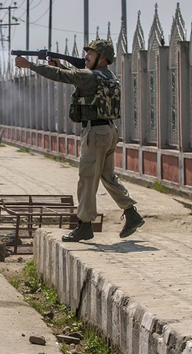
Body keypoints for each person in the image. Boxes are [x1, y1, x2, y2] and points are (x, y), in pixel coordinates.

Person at [14, 39, 144, 243]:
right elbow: (78, 78)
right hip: (108, 131)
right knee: (107, 176)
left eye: (91, 54)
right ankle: (131, 213)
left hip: (95, 133)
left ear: (102, 58)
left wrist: (30, 65)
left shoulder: (91, 76)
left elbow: (63, 76)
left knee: (87, 178)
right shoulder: (107, 76)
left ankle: (84, 226)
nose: (86, 57)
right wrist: (62, 66)